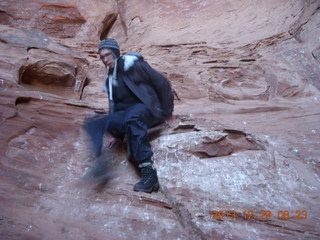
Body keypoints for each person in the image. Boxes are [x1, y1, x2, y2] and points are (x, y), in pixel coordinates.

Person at [84, 38, 174, 193]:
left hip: (148, 110)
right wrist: (118, 135)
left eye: (108, 55)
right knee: (94, 123)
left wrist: (167, 113)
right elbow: (114, 106)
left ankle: (149, 175)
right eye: (102, 57)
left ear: (115, 53)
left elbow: (162, 83)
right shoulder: (110, 79)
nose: (105, 60)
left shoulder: (135, 66)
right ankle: (101, 168)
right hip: (127, 115)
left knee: (132, 116)